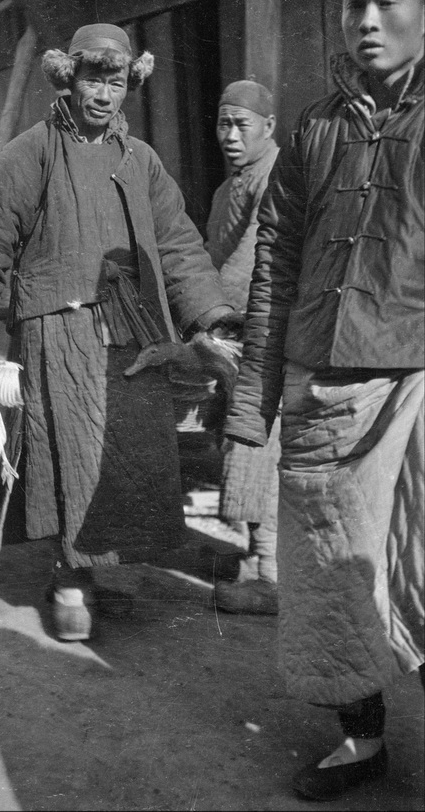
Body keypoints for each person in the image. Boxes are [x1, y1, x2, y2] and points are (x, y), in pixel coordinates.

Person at [0, 23, 239, 642]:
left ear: (130, 85)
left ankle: (110, 564)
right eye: (93, 78)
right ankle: (72, 575)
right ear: (68, 78)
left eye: (116, 80)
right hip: (61, 331)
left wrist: (212, 315)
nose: (103, 93)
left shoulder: (142, 160)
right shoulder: (31, 152)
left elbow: (178, 245)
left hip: (134, 334)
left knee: (130, 454)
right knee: (72, 453)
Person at [224, 0, 424, 801]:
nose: (367, 21)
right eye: (354, 5)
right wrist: (253, 402)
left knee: (415, 574)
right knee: (329, 575)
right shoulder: (311, 130)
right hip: (321, 385)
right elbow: (275, 265)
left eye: (388, 3)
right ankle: (362, 741)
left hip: (415, 383)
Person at [204, 80, 280, 615]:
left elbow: (251, 260)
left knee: (256, 447)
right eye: (222, 124)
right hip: (240, 332)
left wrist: (210, 315)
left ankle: (270, 575)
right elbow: (209, 255)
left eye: (241, 125)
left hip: (270, 330)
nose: (230, 136)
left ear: (268, 128)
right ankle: (256, 559)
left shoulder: (275, 174)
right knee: (239, 443)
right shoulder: (228, 186)